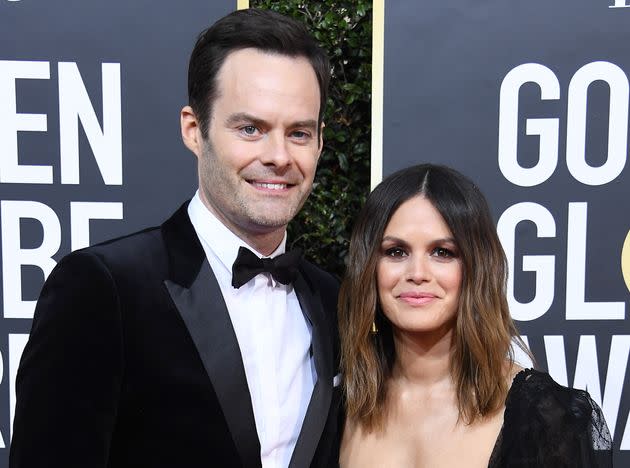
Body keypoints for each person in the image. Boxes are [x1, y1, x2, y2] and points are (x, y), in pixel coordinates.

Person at [10, 9, 341, 468]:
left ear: (320, 143)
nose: (279, 156)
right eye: (250, 129)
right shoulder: (103, 288)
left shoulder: (332, 301)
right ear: (194, 130)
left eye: (299, 133)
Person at [338, 164, 612, 467]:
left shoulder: (544, 417)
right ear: (369, 267)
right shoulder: (340, 406)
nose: (417, 273)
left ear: (476, 267)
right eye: (396, 252)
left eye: (442, 252)